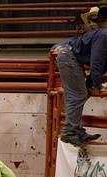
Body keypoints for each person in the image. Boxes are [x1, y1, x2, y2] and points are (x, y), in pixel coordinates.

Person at [53, 6, 107, 147]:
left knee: (79, 94)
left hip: (68, 54)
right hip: (67, 55)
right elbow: (97, 61)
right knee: (78, 94)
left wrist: (92, 82)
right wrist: (95, 83)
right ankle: (70, 132)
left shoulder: (101, 34)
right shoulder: (104, 35)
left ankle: (75, 130)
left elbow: (99, 63)